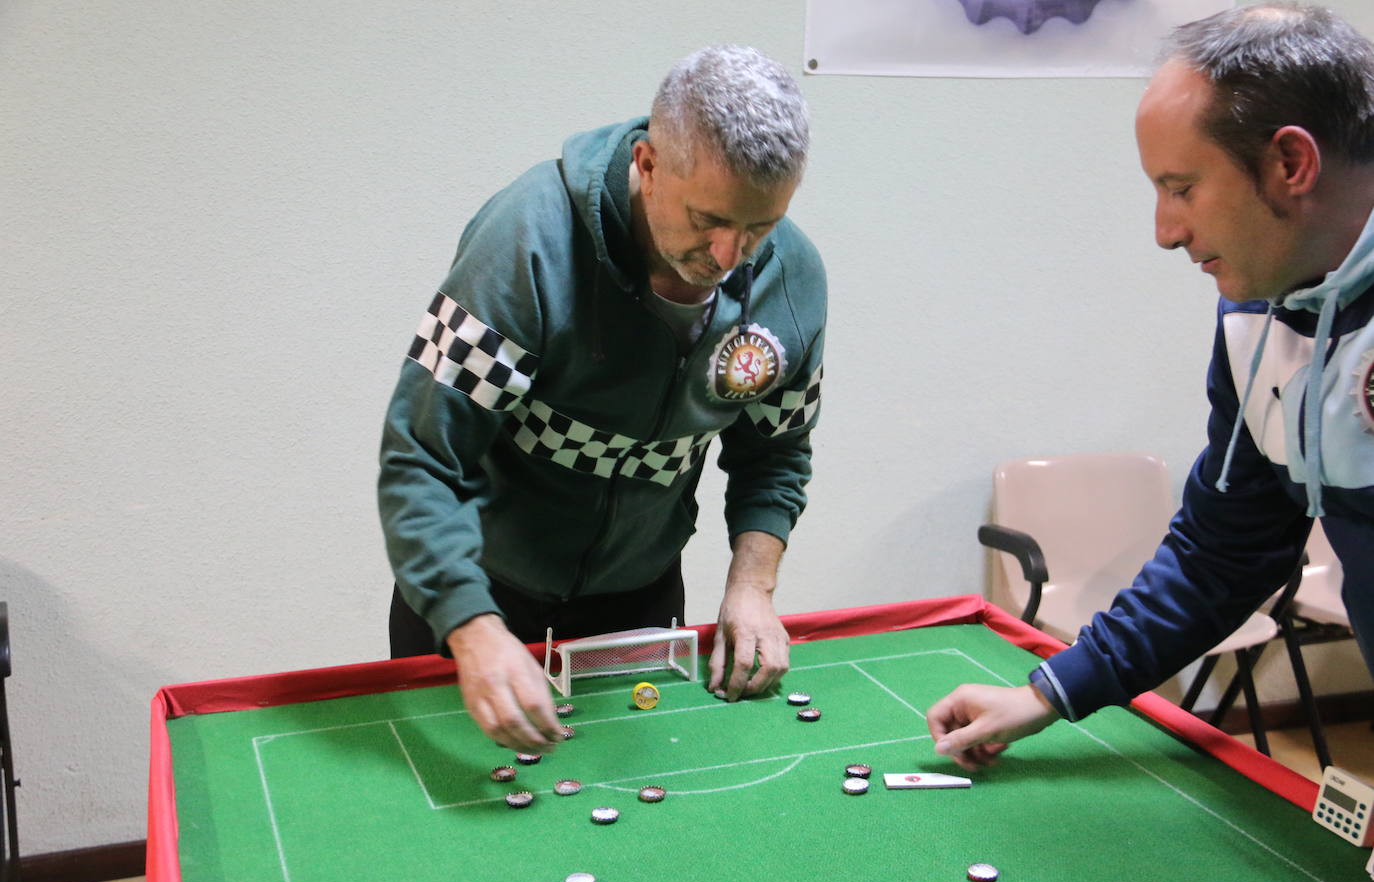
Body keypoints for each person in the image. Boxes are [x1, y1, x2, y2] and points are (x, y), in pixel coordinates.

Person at [929, 2, 1374, 771]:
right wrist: (1046, 694)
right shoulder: (1255, 320)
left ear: (1290, 165)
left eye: (1182, 187)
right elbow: (1222, 556)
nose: (1164, 230)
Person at [378, 46, 826, 756]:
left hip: (640, 603)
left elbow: (775, 453)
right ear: (647, 165)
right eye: (707, 217)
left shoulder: (792, 278)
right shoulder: (524, 244)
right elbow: (422, 461)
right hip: (481, 594)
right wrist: (471, 626)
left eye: (759, 226)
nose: (729, 254)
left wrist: (753, 587)